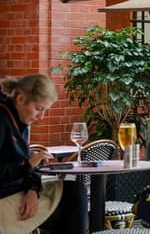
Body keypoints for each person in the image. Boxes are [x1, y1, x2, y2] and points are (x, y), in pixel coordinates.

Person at [0, 75, 87, 234]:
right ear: (20, 98)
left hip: (19, 192)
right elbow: (23, 166)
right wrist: (27, 166)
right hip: (4, 199)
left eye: (45, 110)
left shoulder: (21, 121)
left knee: (76, 191)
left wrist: (32, 189)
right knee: (72, 201)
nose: (41, 117)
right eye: (39, 109)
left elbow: (26, 166)